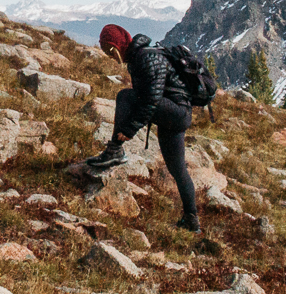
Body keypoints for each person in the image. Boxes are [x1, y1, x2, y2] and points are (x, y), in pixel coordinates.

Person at [85, 24, 200, 232]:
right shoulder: (138, 58)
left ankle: (115, 150)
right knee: (178, 170)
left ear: (116, 47)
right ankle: (192, 221)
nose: (110, 57)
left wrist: (128, 130)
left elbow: (151, 101)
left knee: (125, 96)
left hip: (177, 113)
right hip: (173, 116)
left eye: (109, 52)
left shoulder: (147, 59)